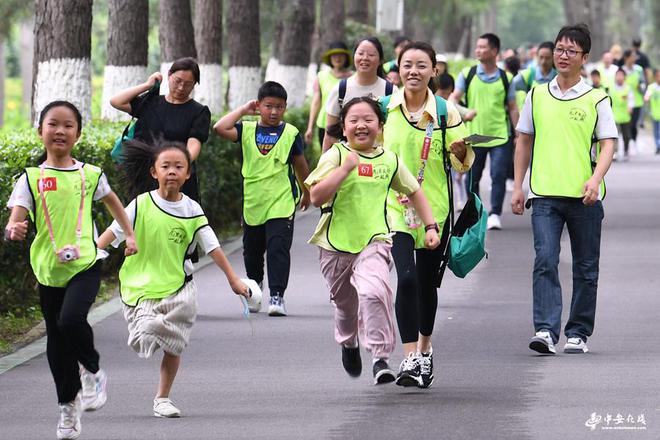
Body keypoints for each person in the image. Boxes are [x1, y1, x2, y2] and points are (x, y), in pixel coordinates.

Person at [5, 101, 138, 440]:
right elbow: (16, 218)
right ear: (40, 132)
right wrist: (13, 229)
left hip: (85, 263)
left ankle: (93, 371)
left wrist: (131, 236)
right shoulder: (31, 178)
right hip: (49, 269)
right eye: (53, 124)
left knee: (71, 320)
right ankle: (67, 407)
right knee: (57, 339)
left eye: (68, 125)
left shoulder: (90, 174)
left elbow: (115, 205)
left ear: (78, 134)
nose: (60, 131)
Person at [96, 140, 249, 418]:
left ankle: (162, 399)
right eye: (165, 166)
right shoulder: (140, 204)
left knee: (174, 343)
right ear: (154, 172)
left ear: (188, 174)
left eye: (179, 167)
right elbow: (113, 233)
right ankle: (148, 334)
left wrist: (233, 279)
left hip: (178, 287)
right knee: (148, 329)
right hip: (140, 285)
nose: (172, 172)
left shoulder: (192, 210)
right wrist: (91, 254)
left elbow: (212, 245)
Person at [305, 96, 440, 385]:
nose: (361, 125)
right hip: (335, 245)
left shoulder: (389, 160)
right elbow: (316, 196)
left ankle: (380, 357)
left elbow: (414, 191)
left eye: (368, 120)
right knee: (345, 307)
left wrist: (430, 225)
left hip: (374, 241)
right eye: (353, 120)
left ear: (380, 126)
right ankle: (349, 343)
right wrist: (344, 170)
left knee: (373, 291)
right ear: (343, 128)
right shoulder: (335, 156)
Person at [511, 24, 617, 355]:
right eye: (559, 49)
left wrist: (595, 179)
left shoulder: (596, 98)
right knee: (545, 259)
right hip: (543, 194)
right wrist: (518, 186)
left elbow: (608, 145)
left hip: (584, 197)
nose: (563, 55)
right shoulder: (536, 95)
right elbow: (524, 141)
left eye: (571, 51)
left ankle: (578, 332)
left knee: (586, 267)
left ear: (584, 58)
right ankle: (545, 329)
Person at [382, 42, 472, 388]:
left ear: (434, 70)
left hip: (435, 209)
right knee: (404, 278)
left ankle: (425, 347)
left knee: (425, 281)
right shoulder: (386, 107)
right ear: (399, 69)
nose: (413, 71)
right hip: (394, 208)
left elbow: (460, 163)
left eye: (422, 65)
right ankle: (410, 358)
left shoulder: (446, 112)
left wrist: (462, 150)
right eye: (407, 65)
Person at [214, 81, 310, 316]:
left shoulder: (290, 133)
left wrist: (307, 190)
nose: (274, 112)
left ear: (285, 108)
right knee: (252, 252)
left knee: (278, 249)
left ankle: (277, 296)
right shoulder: (246, 129)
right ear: (259, 106)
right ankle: (254, 292)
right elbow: (219, 127)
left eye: (279, 107)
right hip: (254, 202)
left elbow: (300, 164)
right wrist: (243, 110)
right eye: (268, 106)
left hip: (281, 201)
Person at [109, 57, 211, 203]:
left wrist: (176, 167)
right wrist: (148, 84)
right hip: (144, 175)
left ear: (194, 85)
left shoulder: (199, 112)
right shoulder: (151, 102)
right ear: (169, 75)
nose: (181, 88)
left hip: (176, 177)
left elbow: (194, 145)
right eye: (178, 81)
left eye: (188, 84)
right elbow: (116, 101)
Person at [451, 33, 519, 231]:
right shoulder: (468, 74)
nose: (478, 50)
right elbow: (453, 100)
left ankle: (495, 213)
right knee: (473, 178)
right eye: (477, 47)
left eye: (483, 47)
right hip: (474, 136)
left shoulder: (506, 78)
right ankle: (477, 213)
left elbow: (513, 107)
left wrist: (518, 133)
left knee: (498, 175)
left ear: (494, 51)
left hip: (499, 136)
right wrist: (465, 112)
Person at [322, 37, 396, 152]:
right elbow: (330, 134)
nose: (365, 58)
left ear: (380, 60)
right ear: (354, 57)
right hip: (348, 159)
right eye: (360, 53)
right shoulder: (341, 89)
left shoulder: (391, 91)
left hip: (381, 161)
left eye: (371, 55)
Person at [437, 72, 476, 209]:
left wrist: (468, 115)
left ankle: (458, 201)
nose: (444, 97)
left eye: (448, 94)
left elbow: (465, 112)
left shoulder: (449, 106)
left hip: (451, 149)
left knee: (456, 177)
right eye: (442, 93)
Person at [305, 41, 353, 147]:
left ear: (346, 58)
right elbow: (316, 102)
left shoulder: (354, 78)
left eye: (341, 55)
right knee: (327, 158)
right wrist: (310, 127)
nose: (337, 58)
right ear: (330, 58)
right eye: (334, 55)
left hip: (348, 124)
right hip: (324, 124)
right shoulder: (321, 76)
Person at [511, 41, 557, 110]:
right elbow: (510, 87)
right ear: (537, 57)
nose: (543, 61)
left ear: (553, 58)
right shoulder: (528, 75)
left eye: (547, 58)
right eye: (541, 57)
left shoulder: (558, 77)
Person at [621, 49, 646, 147]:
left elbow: (643, 83)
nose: (634, 58)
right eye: (632, 56)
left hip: (637, 101)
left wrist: (641, 87)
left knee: (634, 123)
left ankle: (633, 140)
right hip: (624, 102)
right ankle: (627, 142)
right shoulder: (622, 70)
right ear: (626, 58)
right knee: (627, 123)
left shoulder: (638, 69)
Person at [611, 69, 634, 160]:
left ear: (624, 77)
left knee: (626, 136)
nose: (619, 77)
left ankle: (626, 151)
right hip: (614, 115)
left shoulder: (628, 88)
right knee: (614, 135)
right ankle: (615, 152)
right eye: (618, 75)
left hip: (625, 116)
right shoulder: (611, 88)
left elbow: (631, 99)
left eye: (621, 75)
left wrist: (630, 107)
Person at [644, 69, 660, 154]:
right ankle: (658, 146)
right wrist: (646, 98)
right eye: (657, 76)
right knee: (656, 131)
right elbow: (647, 96)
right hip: (654, 113)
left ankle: (659, 145)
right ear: (655, 77)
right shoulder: (651, 87)